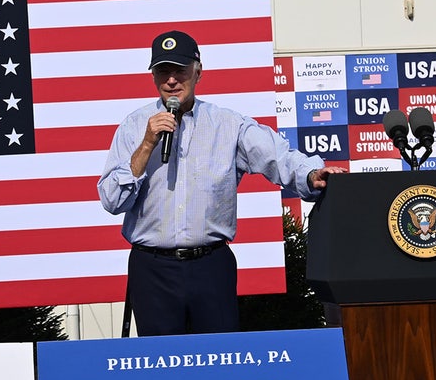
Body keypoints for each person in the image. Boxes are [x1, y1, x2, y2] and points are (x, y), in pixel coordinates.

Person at [98, 30, 346, 336]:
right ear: (153, 77)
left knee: (222, 359)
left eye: (180, 70)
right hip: (152, 269)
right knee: (159, 365)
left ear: (198, 71)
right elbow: (111, 200)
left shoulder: (228, 125)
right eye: (163, 71)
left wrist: (310, 174)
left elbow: (277, 156)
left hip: (210, 265)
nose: (172, 80)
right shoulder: (135, 126)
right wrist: (147, 145)